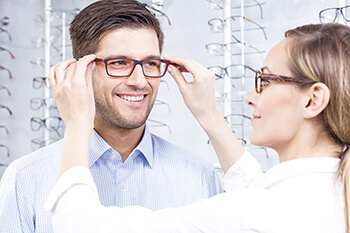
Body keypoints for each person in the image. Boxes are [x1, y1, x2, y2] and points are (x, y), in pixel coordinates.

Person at [44, 22, 350, 233]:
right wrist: (208, 114)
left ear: (313, 100)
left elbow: (80, 225)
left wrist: (77, 122)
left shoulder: (257, 210)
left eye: (265, 82)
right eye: (120, 63)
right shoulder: (329, 194)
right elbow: (259, 193)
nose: (250, 97)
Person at [0, 1, 222, 232]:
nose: (139, 81)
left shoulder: (201, 179)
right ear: (81, 71)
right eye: (119, 63)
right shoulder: (26, 178)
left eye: (150, 63)